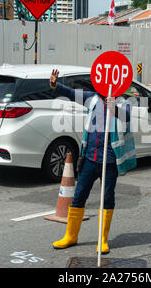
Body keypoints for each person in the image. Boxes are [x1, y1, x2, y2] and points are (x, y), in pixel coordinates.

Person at [49, 69, 136, 254]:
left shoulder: (123, 102)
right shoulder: (93, 98)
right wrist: (55, 85)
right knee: (79, 195)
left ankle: (103, 240)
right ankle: (71, 236)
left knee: (107, 198)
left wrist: (114, 108)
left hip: (110, 161)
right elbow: (71, 94)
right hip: (90, 157)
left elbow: (127, 116)